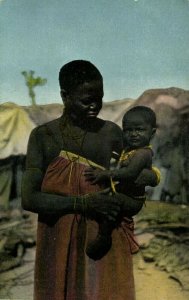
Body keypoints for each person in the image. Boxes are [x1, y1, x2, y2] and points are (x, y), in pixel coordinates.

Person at [22, 60, 158, 300]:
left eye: (100, 98)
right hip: (59, 239)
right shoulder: (44, 137)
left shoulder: (112, 133)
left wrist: (147, 177)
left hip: (103, 238)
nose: (95, 106)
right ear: (65, 96)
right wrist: (83, 204)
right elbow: (29, 198)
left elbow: (137, 173)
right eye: (87, 101)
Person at [84, 106, 158, 260]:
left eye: (139, 130)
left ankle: (104, 238)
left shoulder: (143, 154)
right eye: (128, 130)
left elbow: (129, 174)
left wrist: (105, 174)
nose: (133, 134)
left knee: (109, 202)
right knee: (101, 199)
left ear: (152, 133)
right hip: (124, 194)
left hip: (133, 201)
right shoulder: (130, 149)